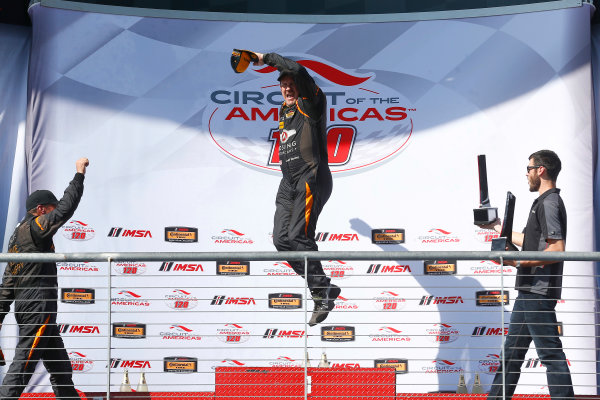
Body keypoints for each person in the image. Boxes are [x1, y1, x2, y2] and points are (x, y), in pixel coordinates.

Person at [251, 51, 340, 326]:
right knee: (282, 241)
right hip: (288, 182)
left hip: (311, 177)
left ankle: (321, 293)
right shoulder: (284, 110)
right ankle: (323, 284)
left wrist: (265, 58)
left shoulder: (311, 103)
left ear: (302, 86)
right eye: (283, 84)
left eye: (292, 83)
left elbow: (299, 70)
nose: (287, 87)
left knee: (298, 236)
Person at [481, 150, 573, 400]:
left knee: (551, 356)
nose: (527, 173)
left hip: (538, 290)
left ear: (541, 170)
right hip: (529, 290)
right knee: (511, 356)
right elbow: (530, 242)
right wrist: (497, 226)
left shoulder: (550, 202)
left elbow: (556, 249)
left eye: (529, 168)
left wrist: (518, 262)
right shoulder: (543, 201)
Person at [0, 158, 89, 400]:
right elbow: (65, 209)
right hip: (38, 307)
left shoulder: (16, 237)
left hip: (33, 308)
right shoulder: (36, 227)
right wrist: (79, 174)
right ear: (41, 210)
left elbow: (8, 283)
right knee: (23, 366)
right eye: (50, 208)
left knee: (61, 370)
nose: (53, 216)